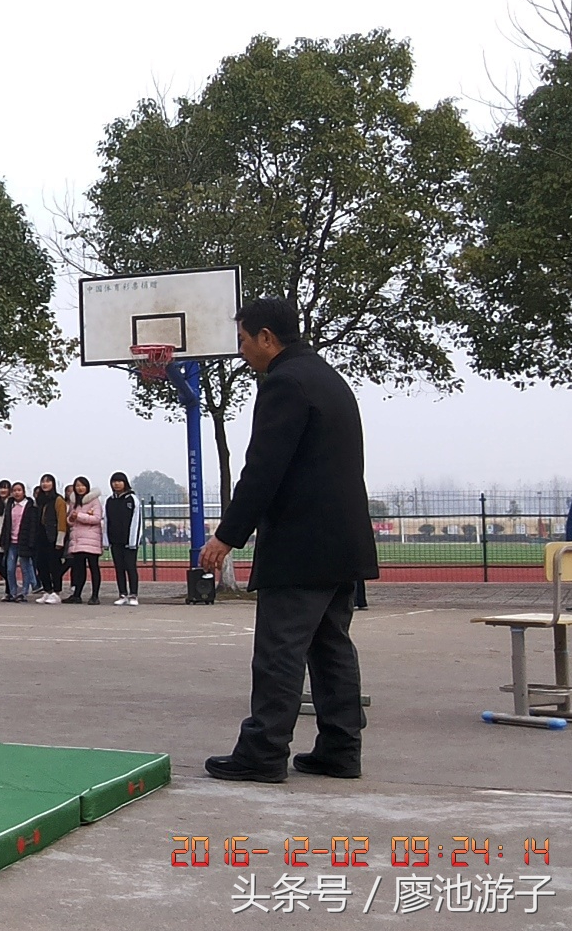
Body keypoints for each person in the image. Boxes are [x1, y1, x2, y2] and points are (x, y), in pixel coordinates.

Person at [201, 298, 378, 784]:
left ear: (265, 337)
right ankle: (341, 750)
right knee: (331, 647)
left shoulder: (283, 383)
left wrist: (226, 536)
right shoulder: (328, 377)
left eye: (242, 340)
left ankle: (263, 751)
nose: (240, 352)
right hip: (343, 542)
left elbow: (264, 469)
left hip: (302, 543)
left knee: (280, 649)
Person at [105, 472, 143, 606]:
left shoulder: (132, 499)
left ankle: (133, 595)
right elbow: (107, 521)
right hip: (115, 541)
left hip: (129, 542)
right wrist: (106, 541)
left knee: (130, 567)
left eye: (119, 481)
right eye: (114, 481)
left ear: (125, 483)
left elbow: (137, 521)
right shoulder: (110, 500)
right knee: (119, 568)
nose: (116, 484)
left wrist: (133, 541)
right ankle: (122, 594)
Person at [65, 476, 105, 605]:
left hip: (91, 539)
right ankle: (77, 595)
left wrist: (80, 516)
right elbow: (70, 520)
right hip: (77, 540)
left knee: (93, 567)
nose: (80, 488)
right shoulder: (73, 501)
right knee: (78, 569)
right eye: (77, 486)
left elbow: (97, 518)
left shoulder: (94, 501)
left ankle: (95, 595)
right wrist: (72, 518)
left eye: (82, 485)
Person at [30, 475, 68, 604]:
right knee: (41, 565)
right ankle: (47, 590)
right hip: (41, 537)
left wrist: (60, 539)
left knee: (54, 566)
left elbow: (62, 520)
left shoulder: (58, 500)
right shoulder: (39, 500)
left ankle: (56, 592)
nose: (45, 484)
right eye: (43, 481)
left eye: (48, 481)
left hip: (53, 537)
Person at [2, 481, 35, 602]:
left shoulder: (29, 506)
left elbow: (32, 525)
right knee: (10, 568)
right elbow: (6, 524)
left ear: (24, 492)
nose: (17, 493)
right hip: (11, 542)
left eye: (19, 490)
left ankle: (24, 592)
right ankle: (13, 591)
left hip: (24, 542)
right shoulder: (10, 505)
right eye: (14, 490)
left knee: (25, 568)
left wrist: (31, 542)